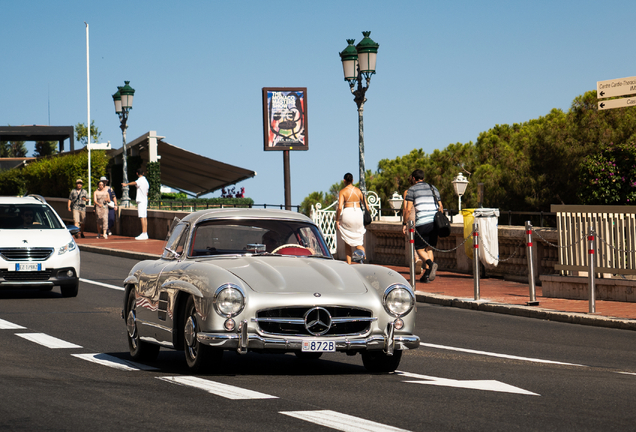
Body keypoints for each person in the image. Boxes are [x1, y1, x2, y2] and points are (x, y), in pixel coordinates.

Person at [402, 169, 443, 283]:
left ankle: (430, 264)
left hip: (422, 223)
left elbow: (408, 209)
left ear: (414, 179)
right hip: (434, 222)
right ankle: (427, 276)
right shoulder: (433, 188)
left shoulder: (412, 190)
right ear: (423, 178)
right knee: (429, 248)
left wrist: (405, 223)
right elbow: (441, 206)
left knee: (419, 248)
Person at [335, 173, 368, 264]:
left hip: (348, 213)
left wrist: (337, 220)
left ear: (344, 180)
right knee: (358, 241)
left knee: (347, 241)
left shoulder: (343, 191)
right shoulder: (358, 191)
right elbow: (367, 206)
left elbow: (340, 207)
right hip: (358, 213)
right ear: (353, 180)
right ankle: (362, 256)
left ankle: (349, 264)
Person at [403, 175, 423, 275]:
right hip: (421, 216)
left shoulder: (408, 192)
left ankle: (416, 258)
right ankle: (427, 267)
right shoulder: (422, 191)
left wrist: (404, 223)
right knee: (423, 242)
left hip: (411, 217)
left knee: (411, 239)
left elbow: (406, 208)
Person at [122, 168, 149, 240]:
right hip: (145, 200)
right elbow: (146, 192)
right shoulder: (146, 181)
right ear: (143, 173)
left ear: (137, 173)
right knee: (144, 217)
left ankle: (144, 233)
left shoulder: (140, 180)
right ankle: (145, 233)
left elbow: (135, 183)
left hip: (141, 201)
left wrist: (126, 184)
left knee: (142, 217)